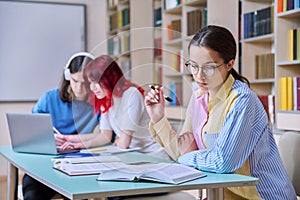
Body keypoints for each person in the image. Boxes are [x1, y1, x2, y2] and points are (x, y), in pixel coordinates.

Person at [144, 25, 296, 199]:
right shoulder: (198, 98)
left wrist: (187, 157)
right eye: (193, 66)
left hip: (259, 197)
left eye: (209, 68)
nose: (199, 76)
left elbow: (223, 162)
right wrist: (158, 118)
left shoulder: (242, 100)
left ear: (229, 64)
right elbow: (181, 151)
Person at [22, 52, 100, 200]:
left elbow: (105, 135)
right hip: (46, 166)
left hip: (81, 167)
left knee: (80, 195)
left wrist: (73, 141)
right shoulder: (49, 99)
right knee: (32, 194)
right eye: (75, 81)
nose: (79, 87)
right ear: (67, 76)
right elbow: (31, 130)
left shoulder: (98, 101)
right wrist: (50, 138)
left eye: (85, 83)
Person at [60, 55, 170, 160]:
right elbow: (105, 136)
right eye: (90, 83)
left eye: (96, 82)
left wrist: (118, 141)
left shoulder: (131, 94)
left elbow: (124, 143)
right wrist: (80, 145)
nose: (92, 88)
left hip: (153, 156)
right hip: (132, 155)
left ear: (109, 78)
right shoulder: (105, 99)